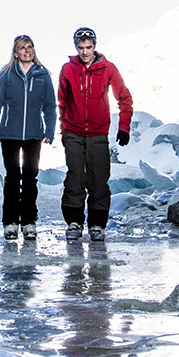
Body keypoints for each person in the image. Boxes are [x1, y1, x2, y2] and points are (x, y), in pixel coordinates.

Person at [56, 26, 132, 242]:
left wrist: (124, 127)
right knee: (75, 176)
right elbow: (62, 101)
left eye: (88, 47)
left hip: (98, 132)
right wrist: (65, 130)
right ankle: (74, 222)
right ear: (76, 48)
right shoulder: (68, 69)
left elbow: (124, 98)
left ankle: (97, 224)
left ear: (95, 47)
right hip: (73, 131)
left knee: (99, 178)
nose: (85, 52)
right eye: (81, 48)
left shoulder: (108, 68)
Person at [0, 34, 55, 242]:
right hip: (9, 135)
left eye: (30, 47)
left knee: (31, 178)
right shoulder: (6, 75)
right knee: (13, 178)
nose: (28, 51)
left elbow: (50, 106)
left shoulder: (43, 75)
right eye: (23, 48)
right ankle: (10, 223)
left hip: (33, 135)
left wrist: (49, 131)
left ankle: (29, 223)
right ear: (15, 53)